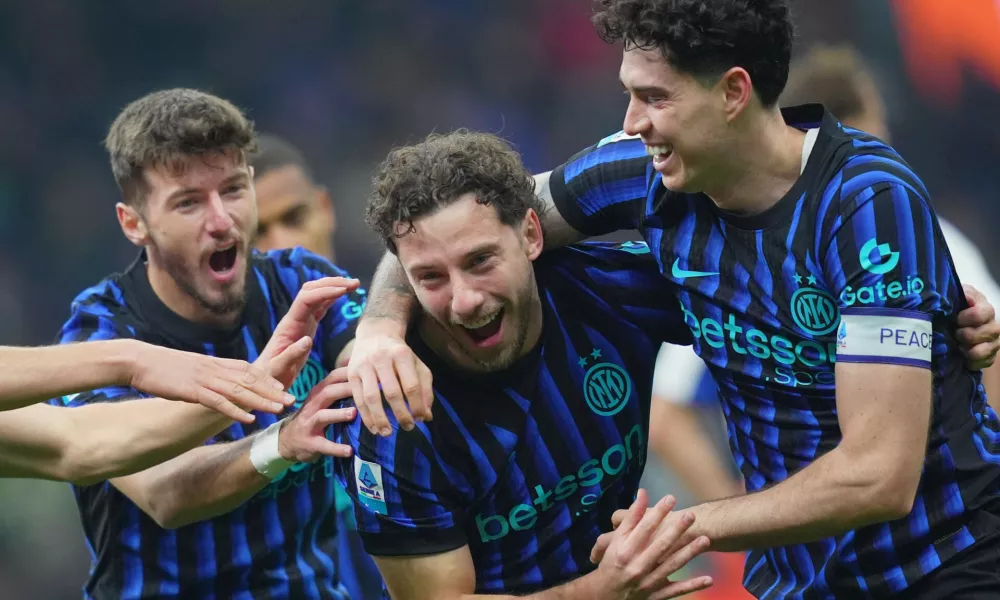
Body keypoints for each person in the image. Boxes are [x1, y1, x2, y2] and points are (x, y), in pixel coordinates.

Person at [346, 1, 1000, 598]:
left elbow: (878, 478)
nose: (632, 122)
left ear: (733, 93)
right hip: (798, 583)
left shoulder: (864, 203)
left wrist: (676, 526)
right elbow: (450, 222)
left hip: (945, 563)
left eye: (653, 97)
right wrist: (378, 329)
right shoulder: (637, 175)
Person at [334, 130, 713, 599]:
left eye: (480, 260)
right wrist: (602, 591)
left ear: (532, 234)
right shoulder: (390, 416)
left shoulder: (608, 289)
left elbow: (746, 297)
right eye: (430, 277)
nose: (465, 301)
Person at [51, 88, 366, 600]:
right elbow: (163, 492)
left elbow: (370, 352)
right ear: (135, 223)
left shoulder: (297, 280)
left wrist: (386, 341)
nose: (221, 220)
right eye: (189, 202)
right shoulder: (101, 330)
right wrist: (279, 443)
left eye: (234, 189)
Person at [251, 133, 385, 600]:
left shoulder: (393, 323)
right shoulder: (229, 376)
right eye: (258, 234)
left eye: (293, 218)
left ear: (325, 208)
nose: (283, 246)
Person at [0, 339, 300, 484]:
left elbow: (77, 441)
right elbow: (160, 493)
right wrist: (131, 359)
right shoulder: (98, 315)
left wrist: (251, 386)